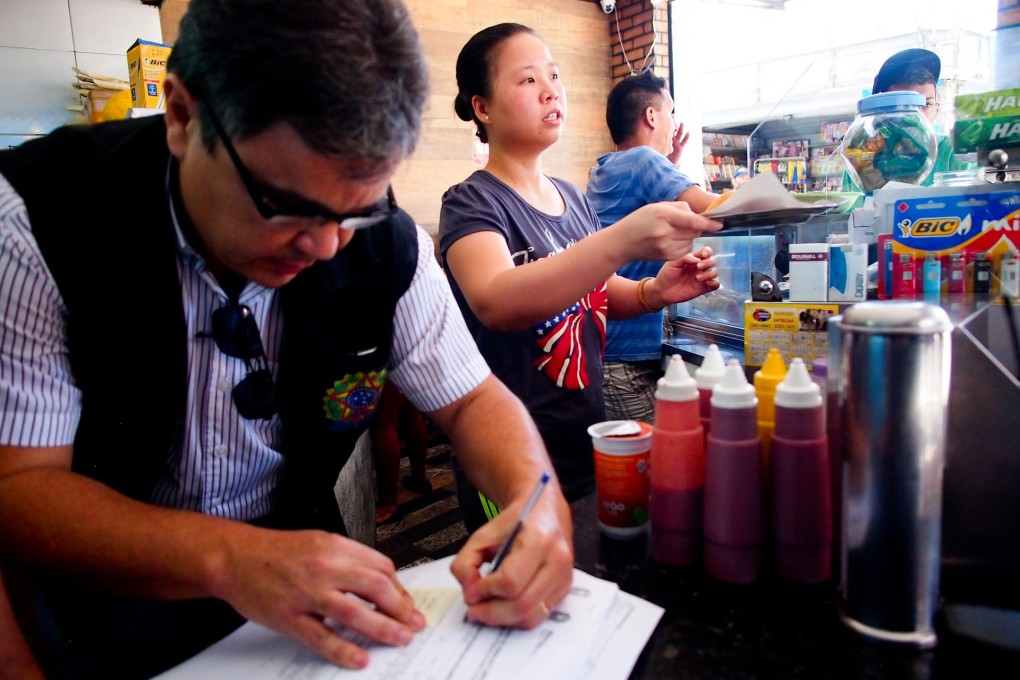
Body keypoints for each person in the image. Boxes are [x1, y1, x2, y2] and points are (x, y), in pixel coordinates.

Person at [0, 1, 574, 678]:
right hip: (100, 591)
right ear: (183, 116)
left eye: (355, 211)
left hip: (299, 580)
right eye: (285, 206)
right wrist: (227, 557)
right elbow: (22, 485)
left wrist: (537, 501)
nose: (325, 246)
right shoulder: (40, 223)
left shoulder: (388, 246)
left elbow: (473, 401)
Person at [439, 24, 722, 531]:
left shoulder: (571, 198)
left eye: (553, 74)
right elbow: (496, 300)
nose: (551, 90)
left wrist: (653, 290)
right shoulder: (472, 202)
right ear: (482, 108)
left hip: (582, 440)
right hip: (508, 460)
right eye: (527, 81)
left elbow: (595, 291)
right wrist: (620, 241)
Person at [585, 71, 721, 423]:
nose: (674, 123)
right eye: (670, 112)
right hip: (625, 362)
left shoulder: (604, 169)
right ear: (650, 116)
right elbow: (710, 208)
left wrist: (670, 161)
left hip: (607, 351)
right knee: (655, 468)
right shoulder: (643, 161)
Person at [842, 48, 966, 191]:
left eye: (927, 104)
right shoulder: (860, 156)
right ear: (878, 114)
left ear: (937, 109)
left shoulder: (953, 152)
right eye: (902, 107)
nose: (916, 116)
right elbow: (851, 209)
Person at [369, 384, 432, 524]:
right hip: (412, 364)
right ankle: (419, 479)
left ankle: (388, 504)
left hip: (388, 365)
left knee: (384, 425)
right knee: (411, 413)